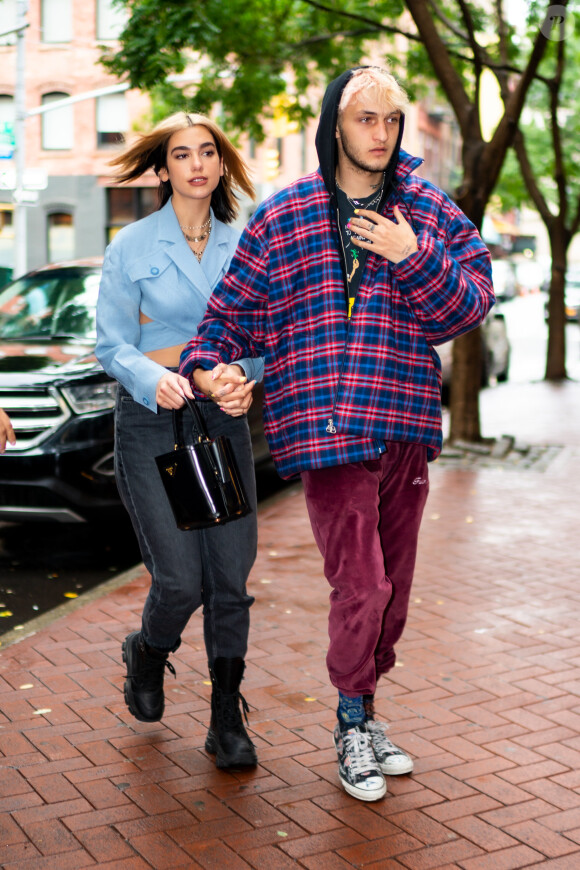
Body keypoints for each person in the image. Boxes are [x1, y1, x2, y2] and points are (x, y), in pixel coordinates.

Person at [180, 67, 495, 801]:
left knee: (395, 594)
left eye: (391, 120)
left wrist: (409, 254)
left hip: (405, 426)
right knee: (363, 584)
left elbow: (469, 306)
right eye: (365, 119)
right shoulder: (285, 216)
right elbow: (226, 320)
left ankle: (368, 708)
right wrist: (209, 371)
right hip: (324, 430)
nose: (380, 134)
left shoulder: (430, 213)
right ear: (334, 125)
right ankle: (350, 722)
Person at [95, 111, 264, 770]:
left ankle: (226, 717)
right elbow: (112, 343)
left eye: (208, 152)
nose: (196, 163)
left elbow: (261, 338)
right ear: (163, 169)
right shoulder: (131, 245)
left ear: (221, 165)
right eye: (181, 154)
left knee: (229, 579)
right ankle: (148, 648)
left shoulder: (242, 245)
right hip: (150, 419)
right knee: (179, 581)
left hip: (217, 420)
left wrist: (244, 377)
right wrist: (149, 374)